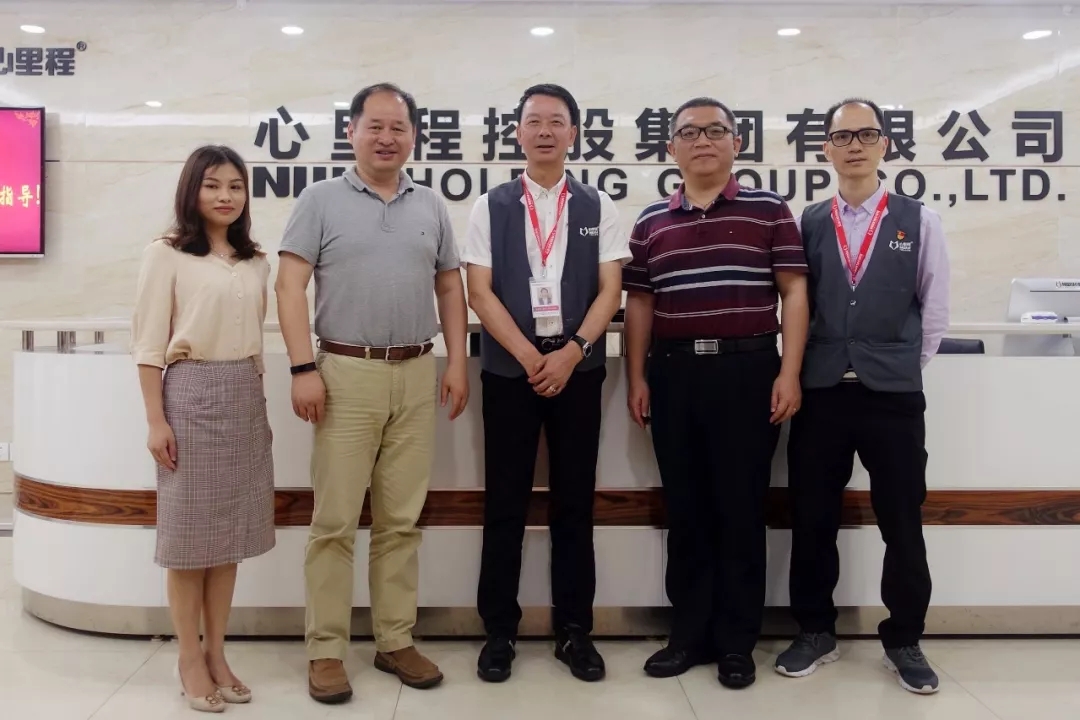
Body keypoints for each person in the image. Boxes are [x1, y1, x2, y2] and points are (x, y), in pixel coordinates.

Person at [275, 82, 469, 703]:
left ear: (414, 136)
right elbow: (288, 286)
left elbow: (449, 288)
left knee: (401, 521)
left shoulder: (430, 203)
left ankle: (395, 640)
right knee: (334, 522)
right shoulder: (319, 199)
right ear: (352, 132)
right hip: (344, 374)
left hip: (416, 372)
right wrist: (302, 367)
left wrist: (455, 363)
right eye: (375, 126)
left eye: (399, 128)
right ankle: (326, 650)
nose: (388, 138)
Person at [623, 97, 809, 689]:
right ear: (670, 148)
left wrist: (789, 372)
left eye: (715, 130)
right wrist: (636, 376)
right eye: (689, 133)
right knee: (686, 510)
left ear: (736, 142)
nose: (702, 141)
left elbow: (794, 293)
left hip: (748, 372)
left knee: (740, 509)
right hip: (674, 374)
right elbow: (640, 303)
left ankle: (736, 642)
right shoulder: (651, 221)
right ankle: (688, 635)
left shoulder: (769, 210)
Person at [774, 98, 950, 695]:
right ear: (825, 148)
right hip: (821, 393)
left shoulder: (919, 220)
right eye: (842, 136)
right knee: (812, 517)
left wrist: (897, 365)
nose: (854, 145)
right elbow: (794, 302)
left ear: (885, 144)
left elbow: (934, 309)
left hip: (892, 397)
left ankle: (904, 639)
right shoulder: (808, 221)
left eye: (866, 135)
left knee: (901, 519)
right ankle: (814, 631)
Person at [463, 83, 630, 683]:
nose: (544, 131)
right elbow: (478, 291)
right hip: (510, 371)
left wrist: (573, 351)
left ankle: (574, 630)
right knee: (504, 502)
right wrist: (531, 355)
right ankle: (499, 632)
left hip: (579, 373)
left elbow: (611, 289)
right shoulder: (490, 206)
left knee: (574, 503)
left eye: (556, 121)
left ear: (574, 133)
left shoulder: (598, 205)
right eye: (533, 121)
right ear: (516, 133)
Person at [132, 144, 274, 713]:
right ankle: (188, 657)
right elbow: (148, 345)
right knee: (190, 540)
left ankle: (217, 652)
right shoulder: (166, 253)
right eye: (212, 184)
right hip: (190, 393)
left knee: (230, 538)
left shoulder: (255, 260)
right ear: (192, 190)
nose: (225, 196)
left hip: (244, 395)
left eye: (235, 186)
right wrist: (156, 421)